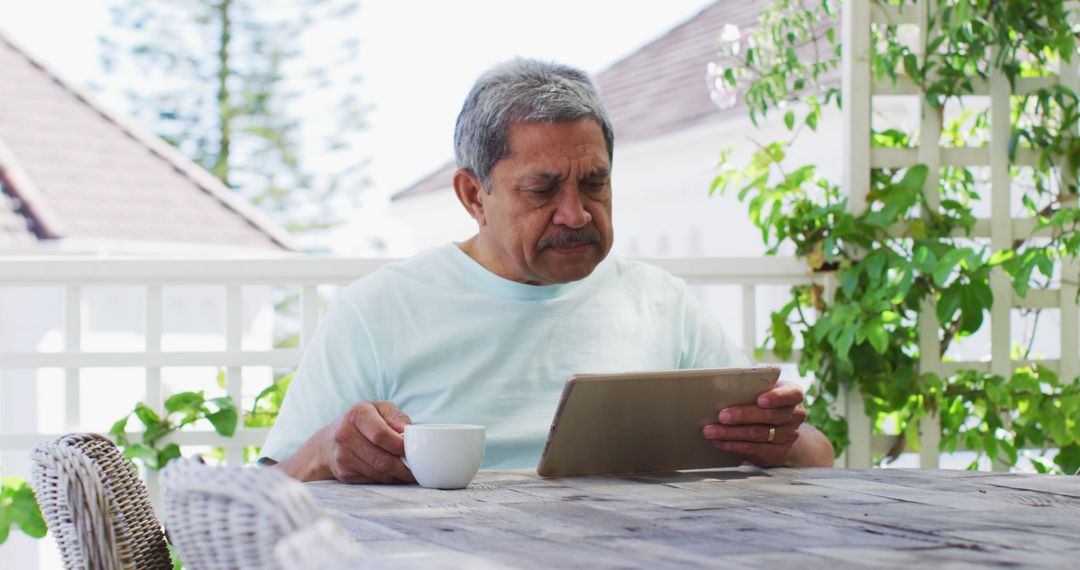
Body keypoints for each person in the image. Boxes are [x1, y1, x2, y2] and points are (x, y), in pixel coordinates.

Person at [261, 58, 834, 483]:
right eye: (542, 190)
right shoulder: (376, 310)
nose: (577, 213)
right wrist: (320, 455)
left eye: (595, 183)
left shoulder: (660, 302)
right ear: (472, 196)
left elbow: (817, 454)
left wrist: (776, 443)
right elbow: (266, 491)